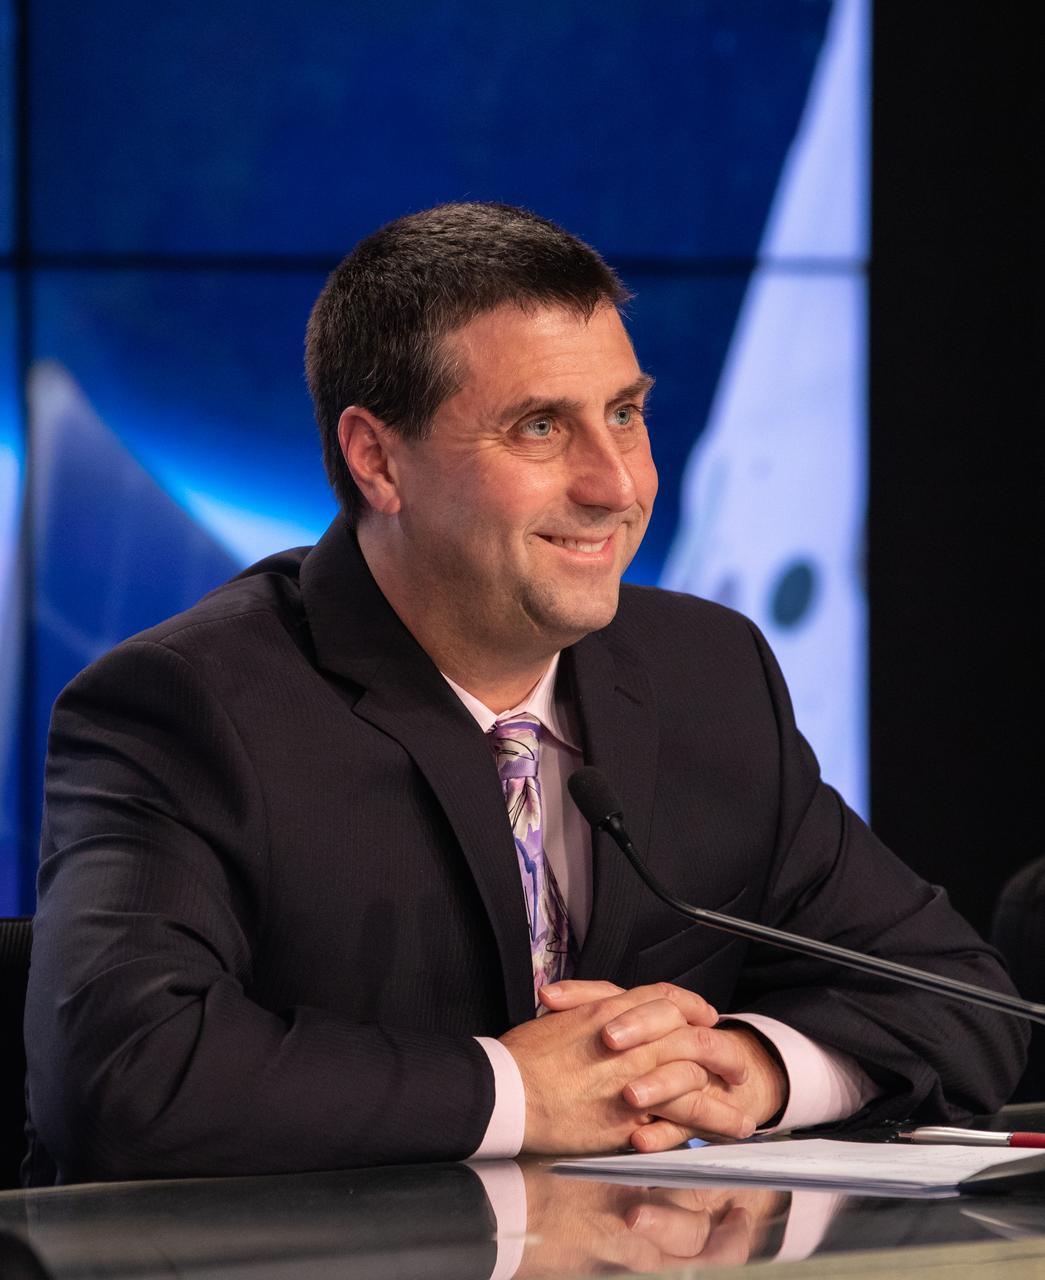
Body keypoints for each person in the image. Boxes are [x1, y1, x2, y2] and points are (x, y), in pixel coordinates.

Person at [24, 203, 1025, 1185]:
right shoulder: (189, 705)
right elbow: (126, 1072)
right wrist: (513, 1089)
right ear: (378, 459)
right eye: (541, 426)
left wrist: (755, 1065)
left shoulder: (707, 670)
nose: (615, 484)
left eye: (625, 414)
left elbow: (962, 996)